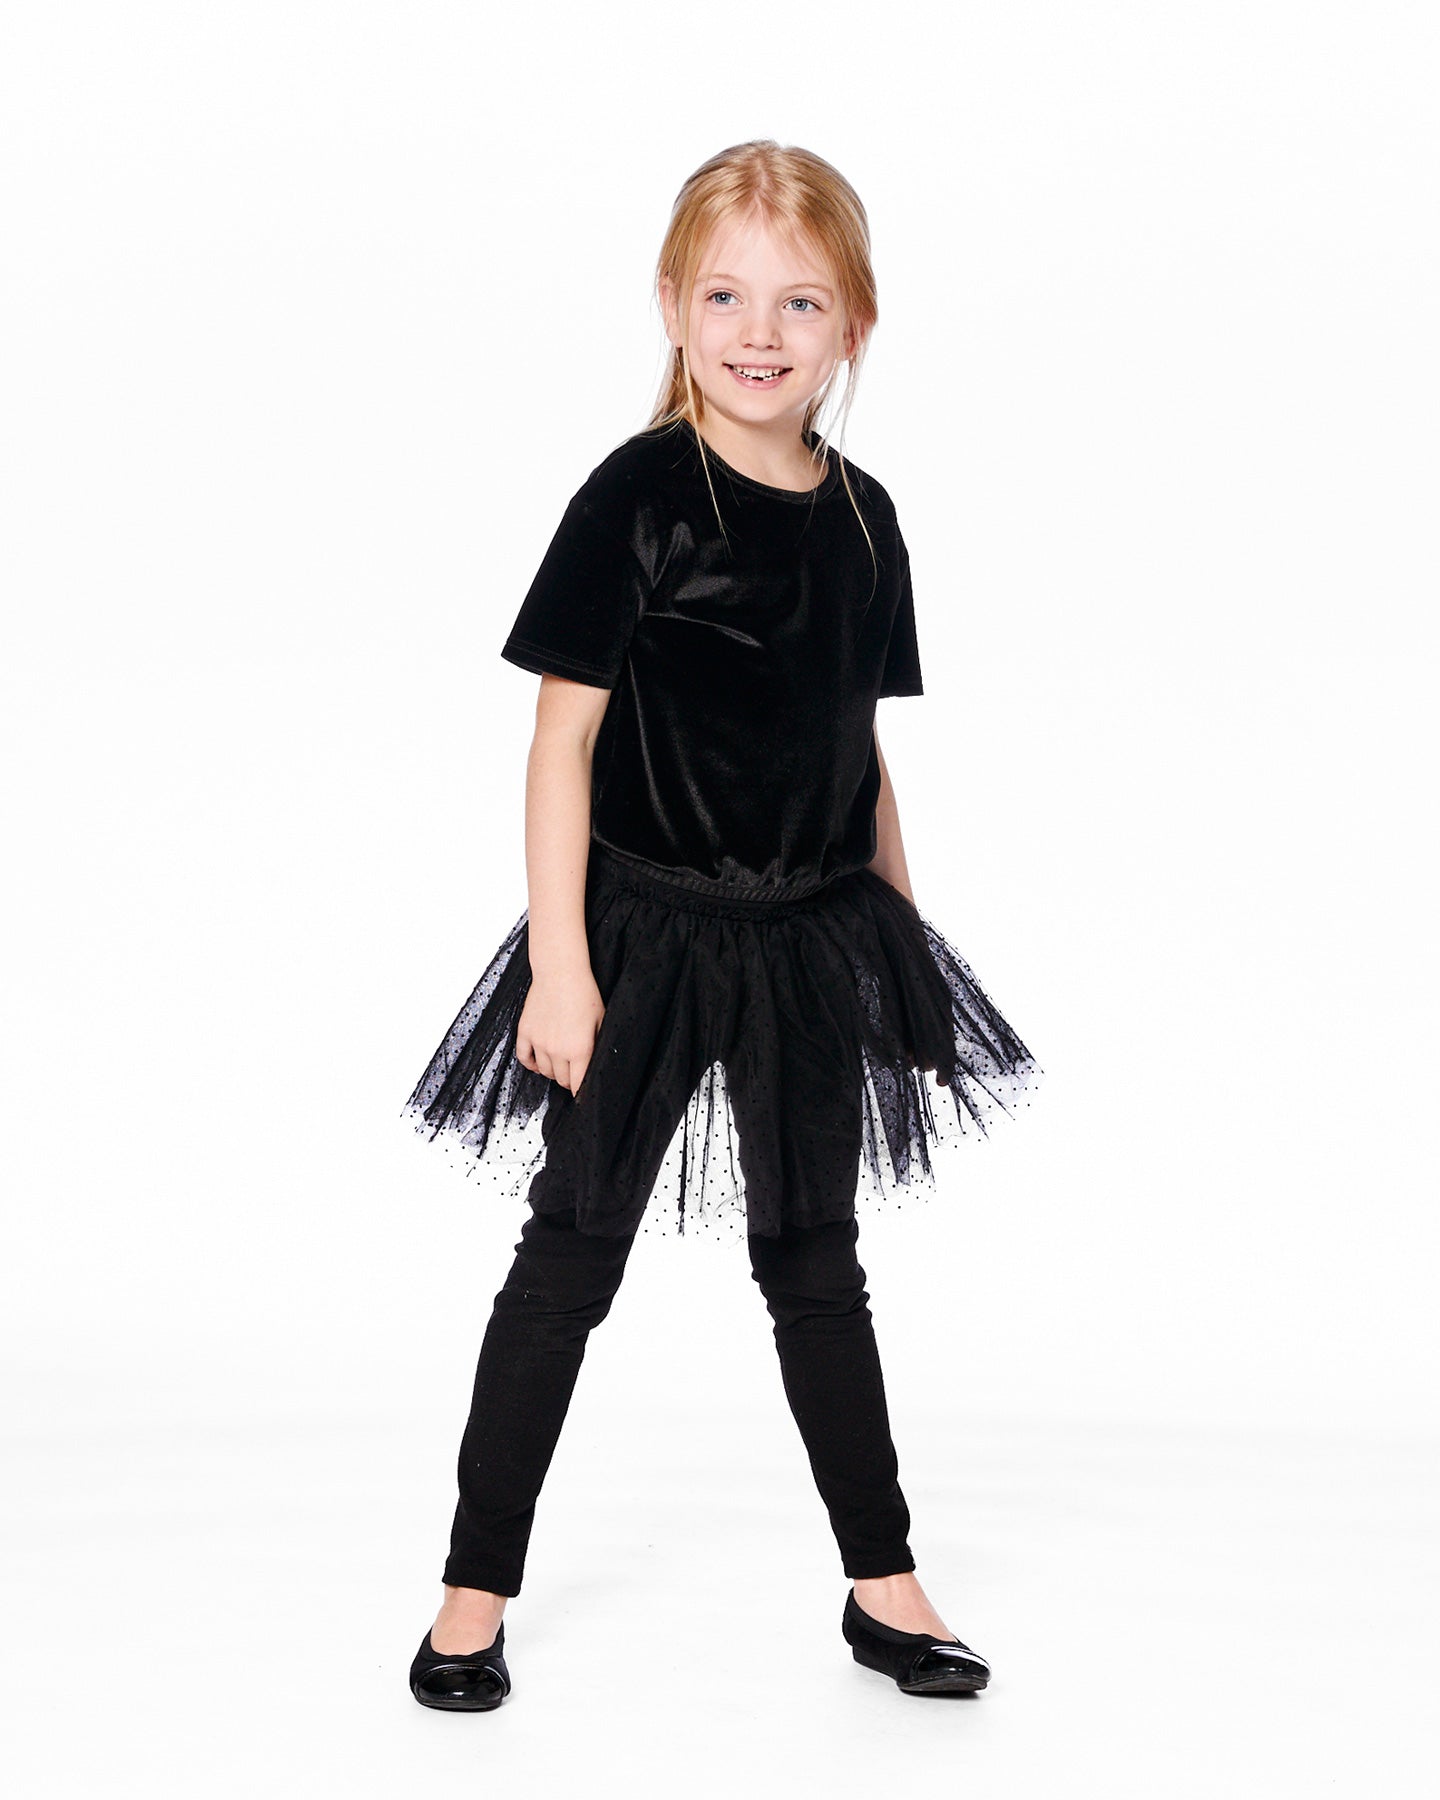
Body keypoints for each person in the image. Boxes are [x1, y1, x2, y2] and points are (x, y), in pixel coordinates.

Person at [402, 139, 1041, 1712]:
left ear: (854, 325)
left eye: (800, 303)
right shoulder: (638, 498)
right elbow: (560, 740)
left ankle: (883, 1587)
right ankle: (471, 1594)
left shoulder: (866, 520)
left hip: (811, 934)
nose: (762, 332)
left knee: (815, 1258)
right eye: (727, 297)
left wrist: (901, 945)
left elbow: (855, 748)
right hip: (644, 933)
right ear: (675, 305)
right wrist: (563, 963)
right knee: (570, 1255)